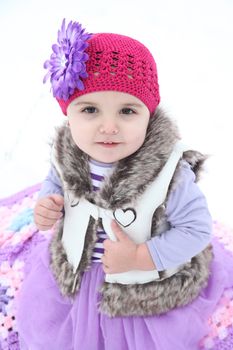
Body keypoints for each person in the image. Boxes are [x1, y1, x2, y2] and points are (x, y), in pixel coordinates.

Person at [17, 19, 233, 350]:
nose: (108, 127)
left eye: (127, 111)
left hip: (139, 280)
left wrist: (142, 256)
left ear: (149, 114)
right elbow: (55, 181)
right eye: (90, 109)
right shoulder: (68, 154)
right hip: (80, 269)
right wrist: (49, 201)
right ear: (68, 113)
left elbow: (196, 230)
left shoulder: (169, 174)